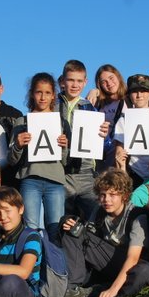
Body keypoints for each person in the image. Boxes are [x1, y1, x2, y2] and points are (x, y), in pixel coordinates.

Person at [60, 169, 149, 297]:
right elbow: (88, 239)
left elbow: (133, 258)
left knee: (145, 272)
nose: (106, 200)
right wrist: (69, 221)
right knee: (74, 230)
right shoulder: (99, 211)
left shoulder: (137, 216)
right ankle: (73, 288)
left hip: (129, 264)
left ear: (124, 196)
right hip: (106, 262)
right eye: (103, 195)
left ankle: (101, 292)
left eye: (112, 195)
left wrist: (113, 289)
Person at [8, 72, 70, 239]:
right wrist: (18, 145)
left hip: (55, 181)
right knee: (30, 229)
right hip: (30, 180)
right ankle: (32, 264)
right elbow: (12, 160)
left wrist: (64, 147)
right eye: (38, 92)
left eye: (47, 93)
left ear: (53, 96)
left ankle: (54, 265)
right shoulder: (21, 122)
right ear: (32, 94)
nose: (43, 97)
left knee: (56, 230)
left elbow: (65, 161)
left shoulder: (61, 122)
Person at [57, 59, 110, 217]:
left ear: (85, 82)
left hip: (87, 174)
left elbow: (105, 147)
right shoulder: (52, 105)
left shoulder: (90, 109)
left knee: (92, 222)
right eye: (71, 80)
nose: (75, 85)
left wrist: (104, 137)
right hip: (61, 174)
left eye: (79, 81)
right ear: (62, 81)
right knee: (61, 223)